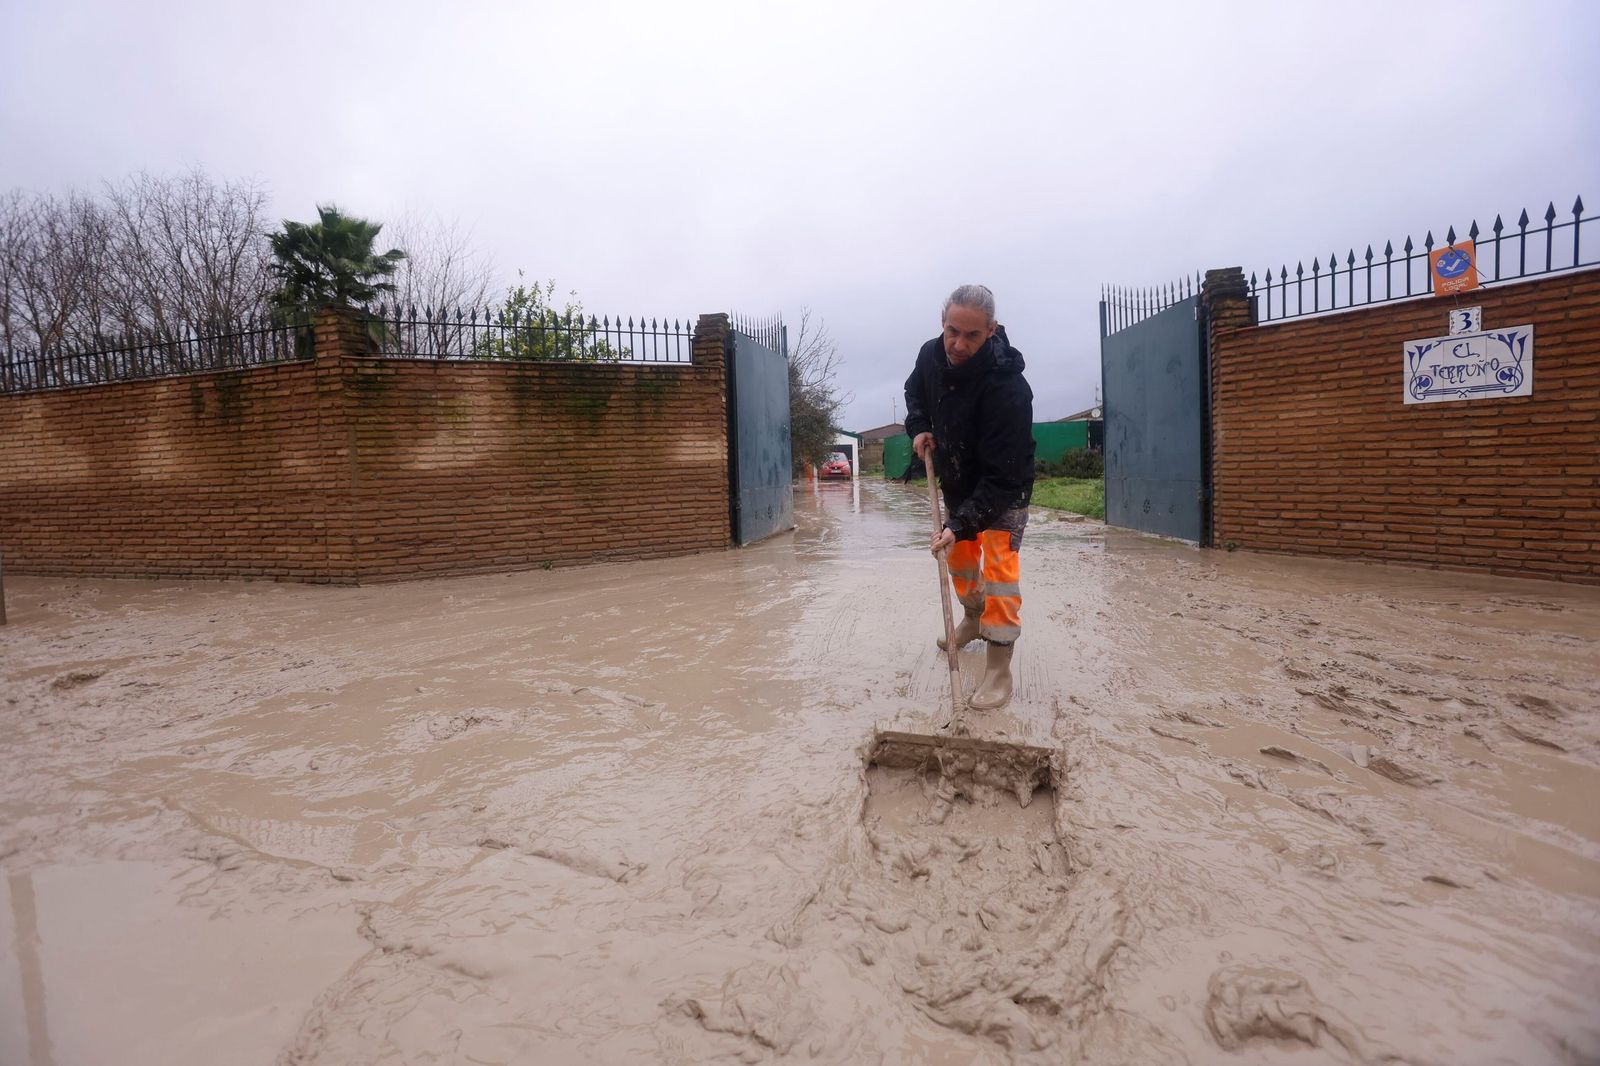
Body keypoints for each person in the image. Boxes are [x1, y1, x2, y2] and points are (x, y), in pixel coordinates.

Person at [903, 284, 1035, 710]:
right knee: (959, 560)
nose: (958, 345)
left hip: (1004, 492)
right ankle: (973, 618)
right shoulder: (930, 355)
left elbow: (1001, 479)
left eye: (972, 335)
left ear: (991, 331)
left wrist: (957, 524)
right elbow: (914, 393)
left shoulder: (1009, 389)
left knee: (999, 575)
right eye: (951, 331)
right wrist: (920, 426)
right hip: (958, 483)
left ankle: (999, 668)